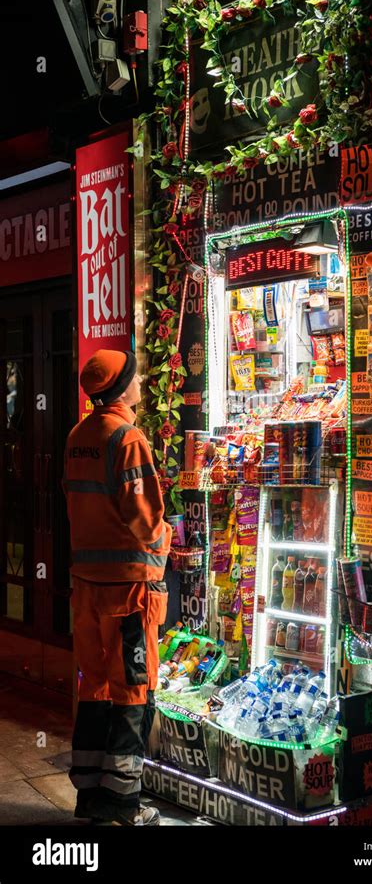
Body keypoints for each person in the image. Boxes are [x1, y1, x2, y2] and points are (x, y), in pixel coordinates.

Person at [63, 348, 171, 826]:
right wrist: (168, 539)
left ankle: (89, 797)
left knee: (95, 689)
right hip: (129, 590)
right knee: (132, 693)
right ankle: (125, 804)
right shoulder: (127, 439)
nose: (141, 381)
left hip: (86, 588)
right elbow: (146, 521)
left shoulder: (77, 435)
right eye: (136, 375)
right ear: (123, 387)